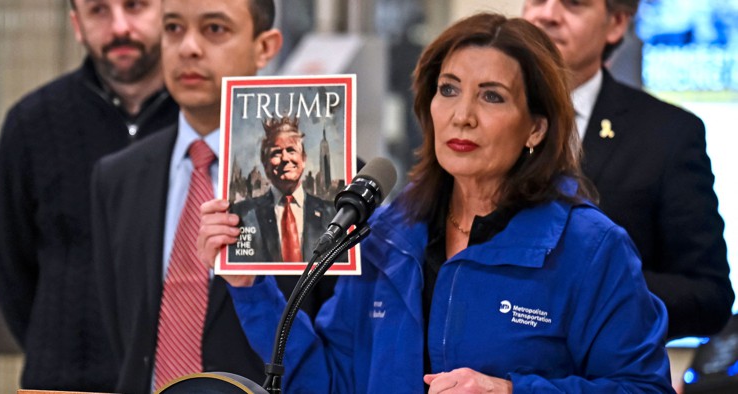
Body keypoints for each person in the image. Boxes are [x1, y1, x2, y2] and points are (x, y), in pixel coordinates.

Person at [198, 13, 674, 393]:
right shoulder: (385, 235)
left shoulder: (591, 249)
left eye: (492, 96)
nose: (461, 116)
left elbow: (642, 388)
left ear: (536, 127)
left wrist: (511, 391)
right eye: (448, 90)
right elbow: (328, 382)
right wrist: (250, 286)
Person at [89, 0, 334, 392]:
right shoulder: (118, 177)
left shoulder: (333, 182)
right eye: (172, 29)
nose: (188, 48)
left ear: (265, 47)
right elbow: (122, 335)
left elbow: (337, 348)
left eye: (215, 29)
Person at [0, 0, 177, 390]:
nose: (119, 27)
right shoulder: (32, 122)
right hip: (63, 380)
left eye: (135, 6)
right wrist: (55, 346)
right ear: (76, 24)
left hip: (179, 380)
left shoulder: (203, 122)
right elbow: (10, 264)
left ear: (167, 13)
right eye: (98, 11)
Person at [523, 0, 733, 339]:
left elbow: (709, 296)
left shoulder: (668, 133)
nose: (547, 14)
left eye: (573, 4)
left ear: (616, 23)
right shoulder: (475, 122)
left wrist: (594, 286)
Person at [228, 116, 339, 263]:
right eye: (276, 152)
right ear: (265, 163)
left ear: (303, 159)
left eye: (291, 150)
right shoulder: (241, 214)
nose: (285, 158)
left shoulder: (334, 214)